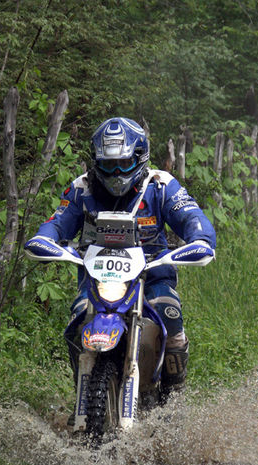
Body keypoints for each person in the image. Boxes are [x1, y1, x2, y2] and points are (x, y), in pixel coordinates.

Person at [25, 117, 216, 400]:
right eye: (108, 165)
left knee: (170, 314)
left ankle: (175, 400)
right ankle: (85, 391)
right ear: (96, 162)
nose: (116, 173)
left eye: (123, 164)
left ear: (139, 159)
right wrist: (45, 238)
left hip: (151, 278)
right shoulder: (82, 189)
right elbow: (57, 221)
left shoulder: (160, 186)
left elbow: (191, 217)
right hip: (97, 284)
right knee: (78, 320)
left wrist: (201, 240)